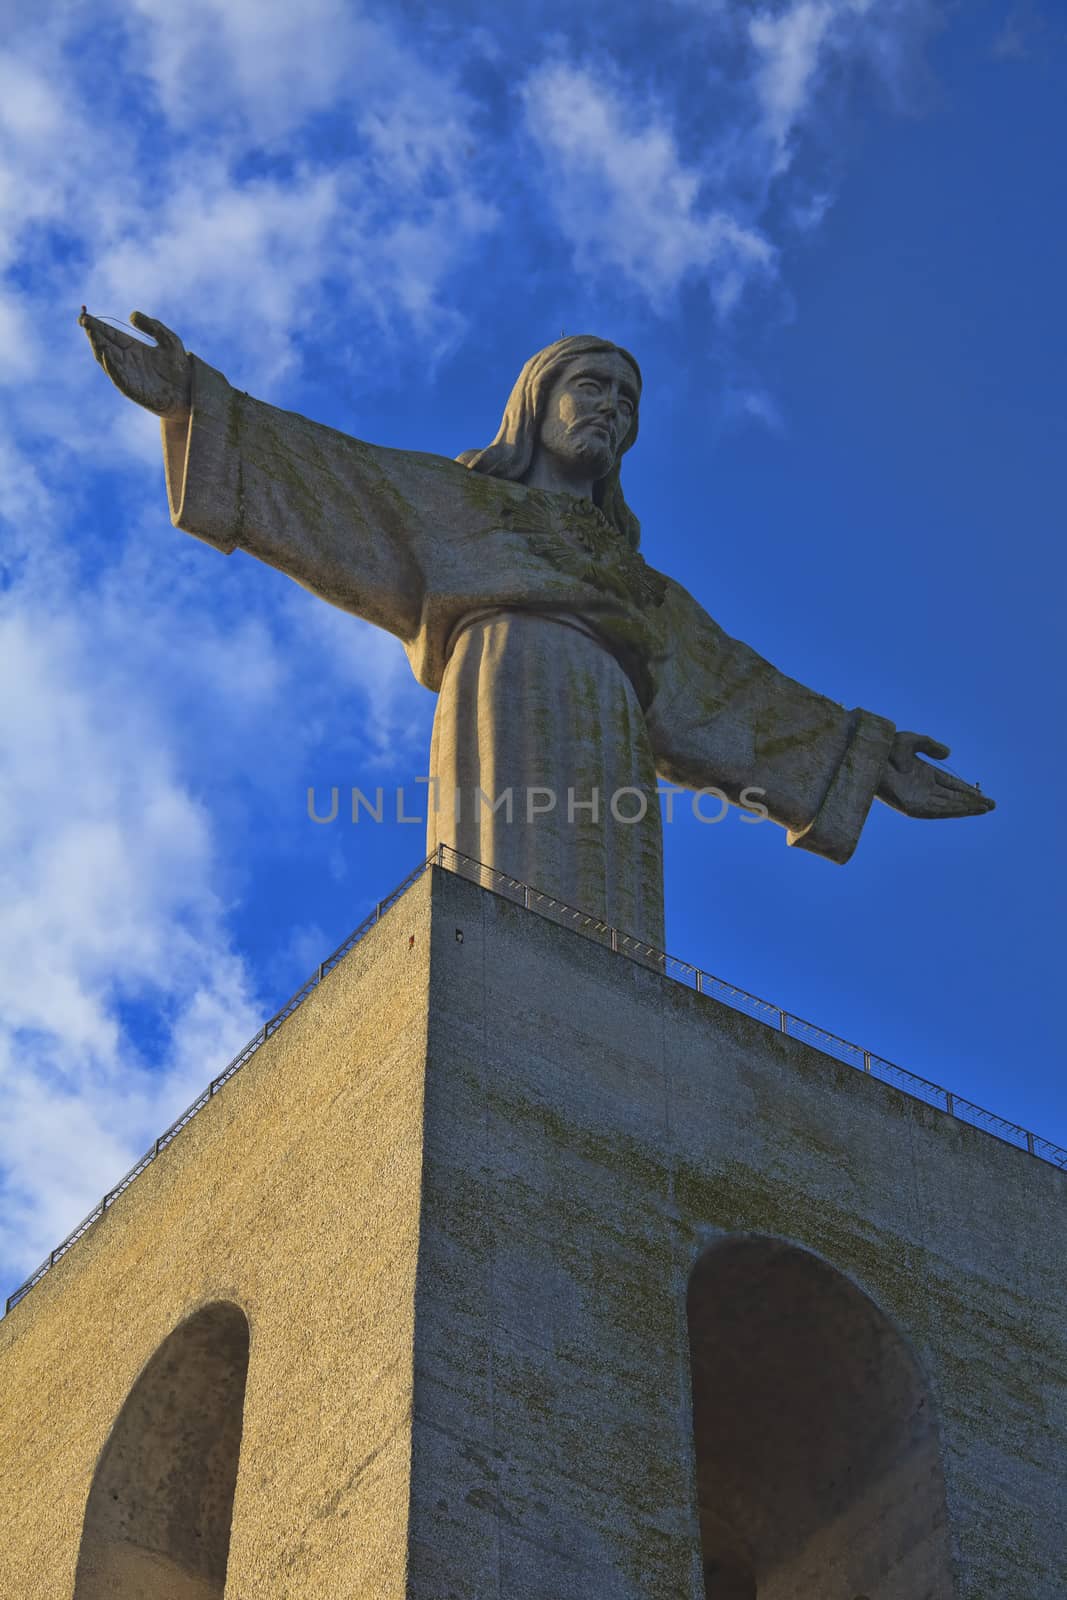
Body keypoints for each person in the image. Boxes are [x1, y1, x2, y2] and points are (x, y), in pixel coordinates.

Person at [79, 309, 993, 947]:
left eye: (627, 401)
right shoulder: (455, 502)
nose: (611, 409)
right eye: (592, 386)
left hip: (610, 717)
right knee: (495, 911)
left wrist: (865, 756)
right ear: (538, 400)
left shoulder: (639, 587)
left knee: (605, 922)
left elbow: (738, 690)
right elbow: (332, 477)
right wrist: (194, 400)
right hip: (502, 674)